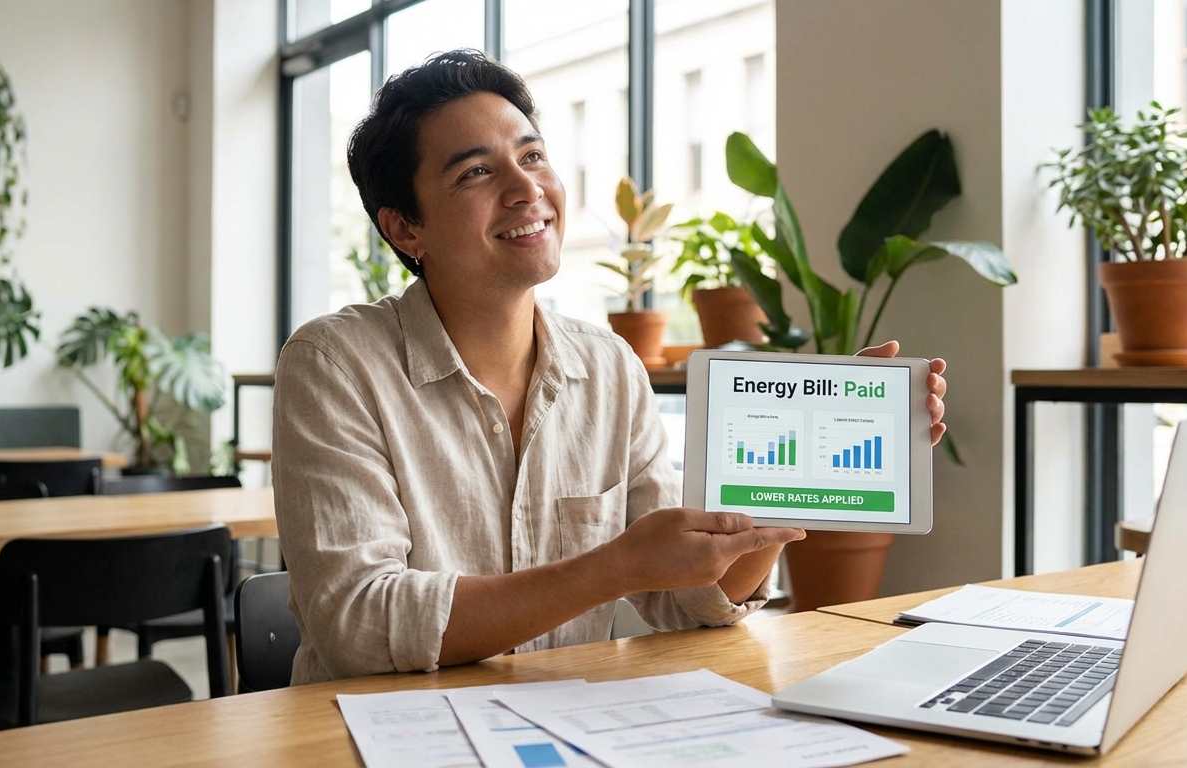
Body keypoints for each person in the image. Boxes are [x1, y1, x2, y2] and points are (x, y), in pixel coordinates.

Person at [272, 49, 948, 684]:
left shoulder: (609, 367)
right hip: (370, 735)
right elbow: (357, 622)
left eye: (533, 155)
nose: (525, 187)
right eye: (476, 171)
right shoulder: (334, 364)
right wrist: (614, 567)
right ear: (404, 229)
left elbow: (685, 600)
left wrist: (784, 481)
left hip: (561, 728)